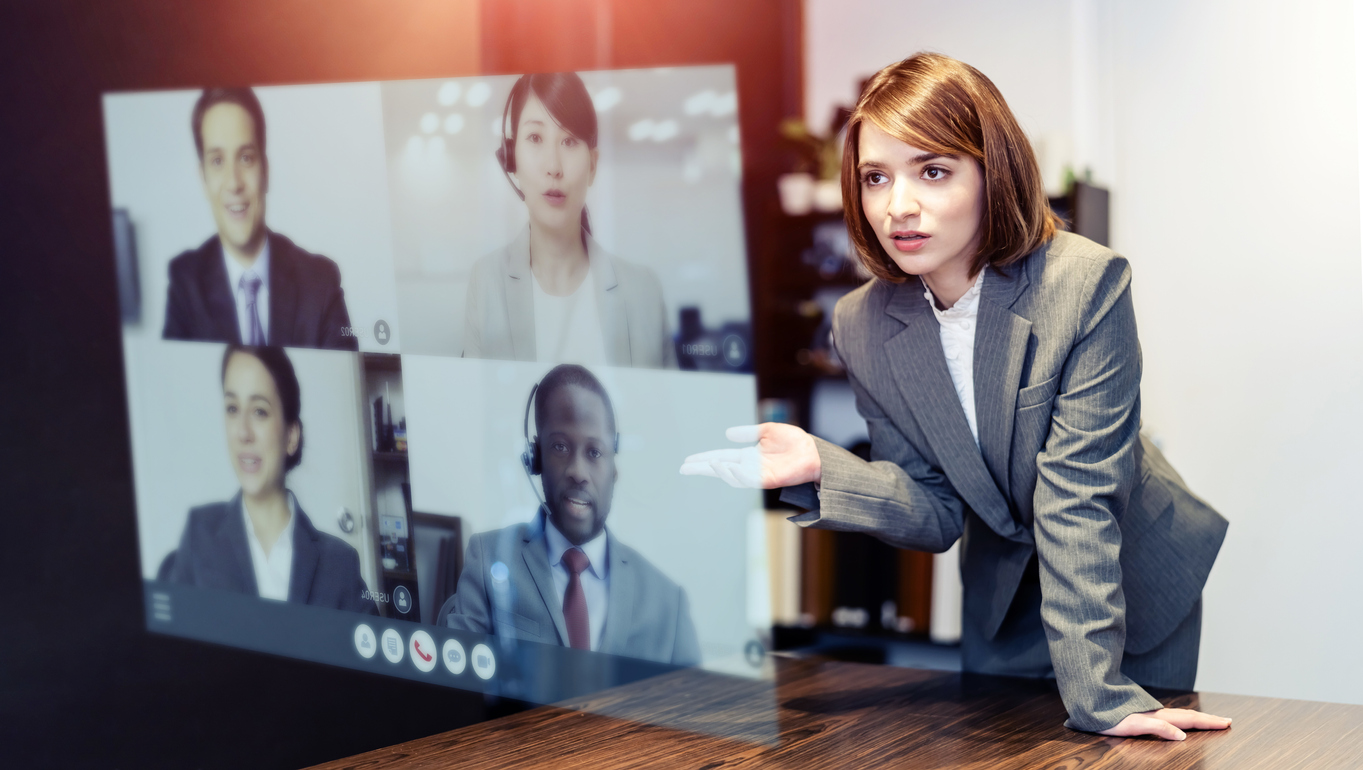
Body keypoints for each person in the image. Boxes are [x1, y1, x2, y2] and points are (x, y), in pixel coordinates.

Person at [681, 53, 1231, 740]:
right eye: (875, 178)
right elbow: (935, 507)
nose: (897, 206)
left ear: (991, 173)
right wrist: (822, 467)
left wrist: (1099, 697)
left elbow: (1076, 501)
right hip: (1000, 594)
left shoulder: (1084, 285)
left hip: (1125, 573)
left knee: (1126, 750)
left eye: (932, 171)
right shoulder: (862, 322)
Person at [446, 364, 700, 666]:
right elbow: (460, 693)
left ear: (614, 468)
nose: (578, 472)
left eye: (594, 452)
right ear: (535, 458)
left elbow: (692, 711)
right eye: (560, 447)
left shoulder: (668, 602)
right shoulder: (486, 559)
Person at [461, 72, 674, 368]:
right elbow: (476, 409)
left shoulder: (644, 291)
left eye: (570, 141)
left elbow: (664, 412)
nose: (553, 166)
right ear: (512, 159)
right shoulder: (486, 284)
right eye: (535, 138)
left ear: (592, 165)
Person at [168, 345, 377, 614]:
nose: (242, 433)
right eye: (232, 409)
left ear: (291, 436)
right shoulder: (200, 535)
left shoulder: (340, 563)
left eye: (260, 411)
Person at [162, 87, 359, 351]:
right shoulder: (185, 283)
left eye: (246, 158)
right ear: (204, 179)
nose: (234, 183)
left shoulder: (320, 282)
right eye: (217, 161)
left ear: (265, 171)